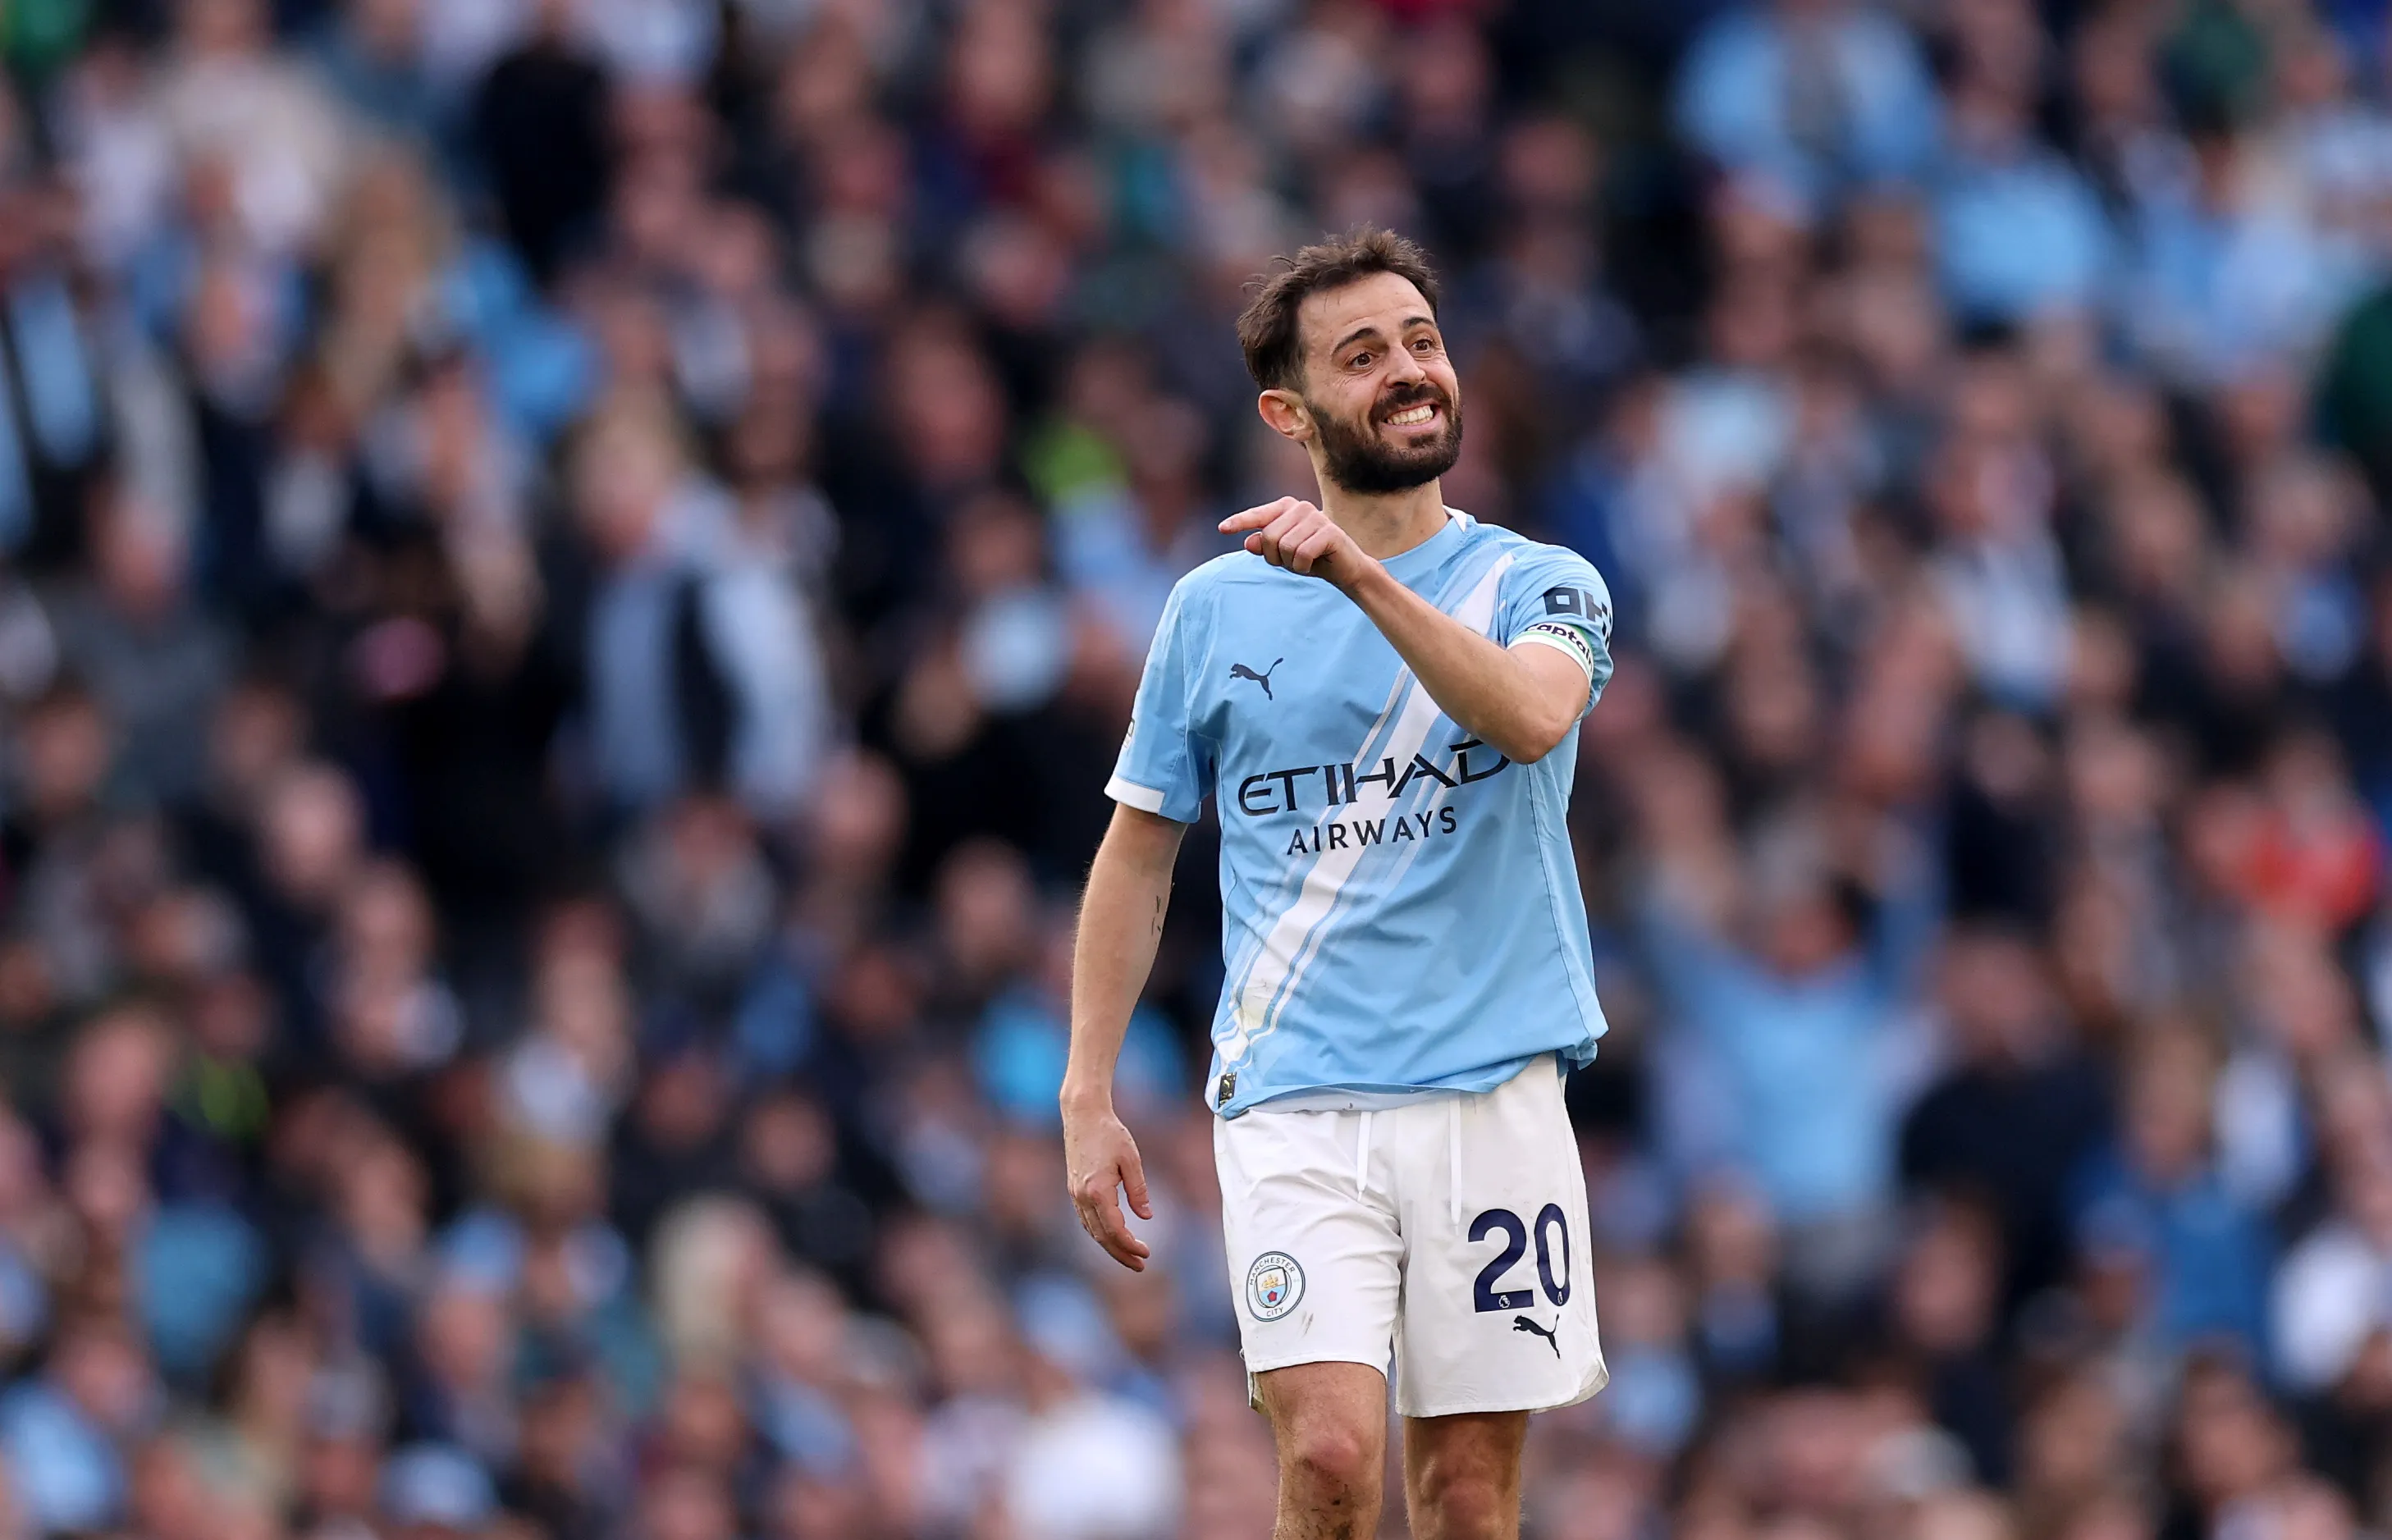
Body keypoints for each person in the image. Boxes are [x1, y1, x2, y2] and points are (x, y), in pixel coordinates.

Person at [1061, 226, 1615, 1539]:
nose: (1409, 373)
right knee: (1323, 1458)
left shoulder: (1536, 582)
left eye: (1421, 343)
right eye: (1363, 357)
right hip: (1296, 1095)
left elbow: (1530, 718)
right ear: (1287, 412)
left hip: (1493, 1093)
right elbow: (1138, 852)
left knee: (1469, 1500)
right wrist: (1088, 1092)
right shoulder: (1212, 609)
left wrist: (1359, 576)